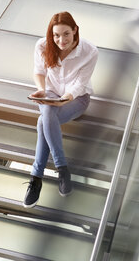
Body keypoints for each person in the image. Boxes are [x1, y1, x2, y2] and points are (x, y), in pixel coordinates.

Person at [23, 11, 98, 208]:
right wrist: (41, 90)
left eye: (66, 34)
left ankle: (36, 177)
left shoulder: (90, 51)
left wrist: (66, 99)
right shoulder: (42, 45)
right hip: (51, 94)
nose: (61, 40)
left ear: (75, 30)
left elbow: (79, 85)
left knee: (43, 120)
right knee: (46, 113)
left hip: (77, 99)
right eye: (56, 35)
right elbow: (39, 72)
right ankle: (62, 170)